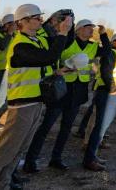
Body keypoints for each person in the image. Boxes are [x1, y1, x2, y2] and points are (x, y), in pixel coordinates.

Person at [0, 4, 72, 190]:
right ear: (22, 22)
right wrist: (63, 33)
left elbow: (44, 65)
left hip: (36, 102)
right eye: (36, 18)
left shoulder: (35, 41)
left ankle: (2, 184)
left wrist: (58, 71)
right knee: (4, 152)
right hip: (22, 106)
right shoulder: (20, 44)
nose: (41, 21)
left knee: (18, 150)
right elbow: (48, 57)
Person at [23, 19, 108, 171]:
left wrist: (103, 35)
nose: (91, 30)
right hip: (61, 90)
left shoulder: (93, 46)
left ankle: (56, 159)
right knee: (46, 126)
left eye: (92, 29)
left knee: (66, 128)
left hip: (78, 92)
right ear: (79, 30)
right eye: (89, 28)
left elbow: (107, 51)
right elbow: (54, 55)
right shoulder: (68, 42)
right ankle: (31, 160)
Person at [83, 32, 116, 171]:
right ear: (114, 42)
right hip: (109, 94)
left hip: (114, 94)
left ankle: (93, 155)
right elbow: (106, 72)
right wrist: (113, 89)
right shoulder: (112, 53)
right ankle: (89, 160)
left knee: (101, 128)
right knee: (100, 128)